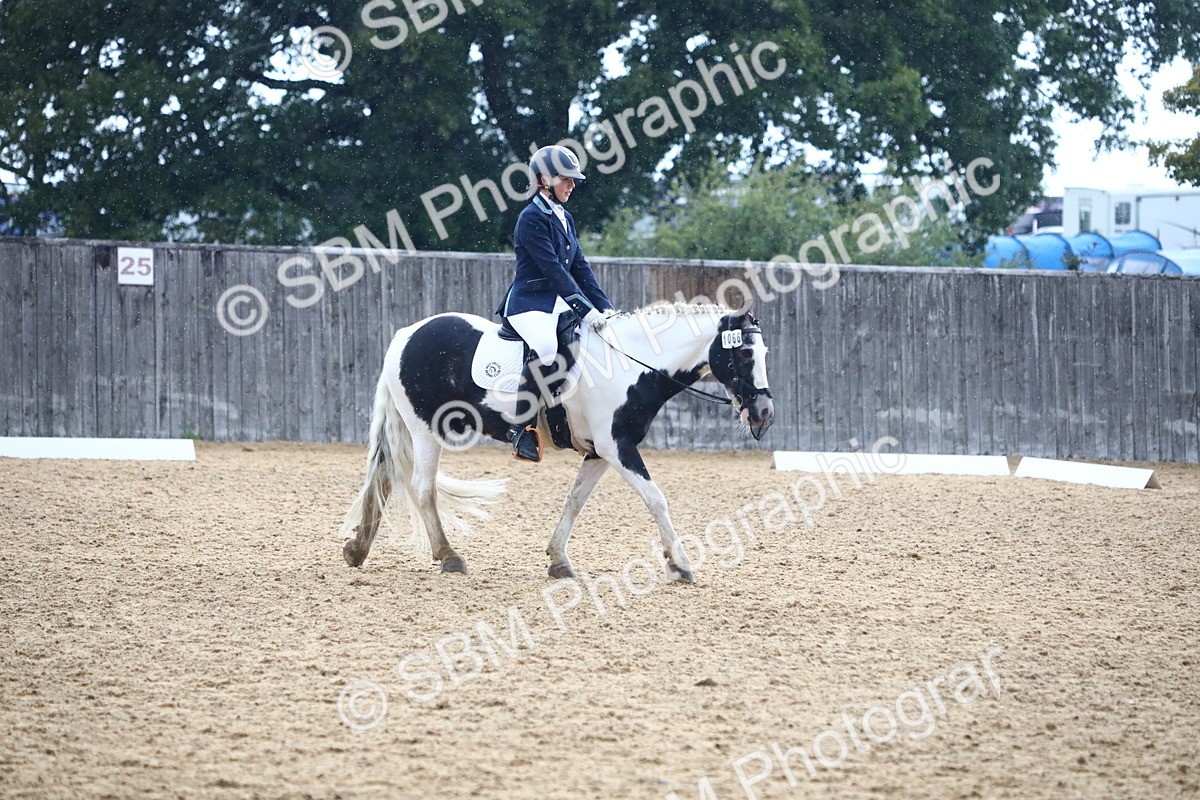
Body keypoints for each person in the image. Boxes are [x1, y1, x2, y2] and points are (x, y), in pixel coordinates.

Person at [496, 145, 617, 463]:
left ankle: (567, 425)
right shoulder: (530, 218)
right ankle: (522, 429)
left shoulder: (565, 217)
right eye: (566, 179)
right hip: (529, 303)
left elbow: (580, 268)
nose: (572, 185)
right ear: (545, 180)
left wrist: (605, 308)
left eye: (573, 180)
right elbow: (554, 272)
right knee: (548, 349)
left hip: (556, 304)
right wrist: (585, 311)